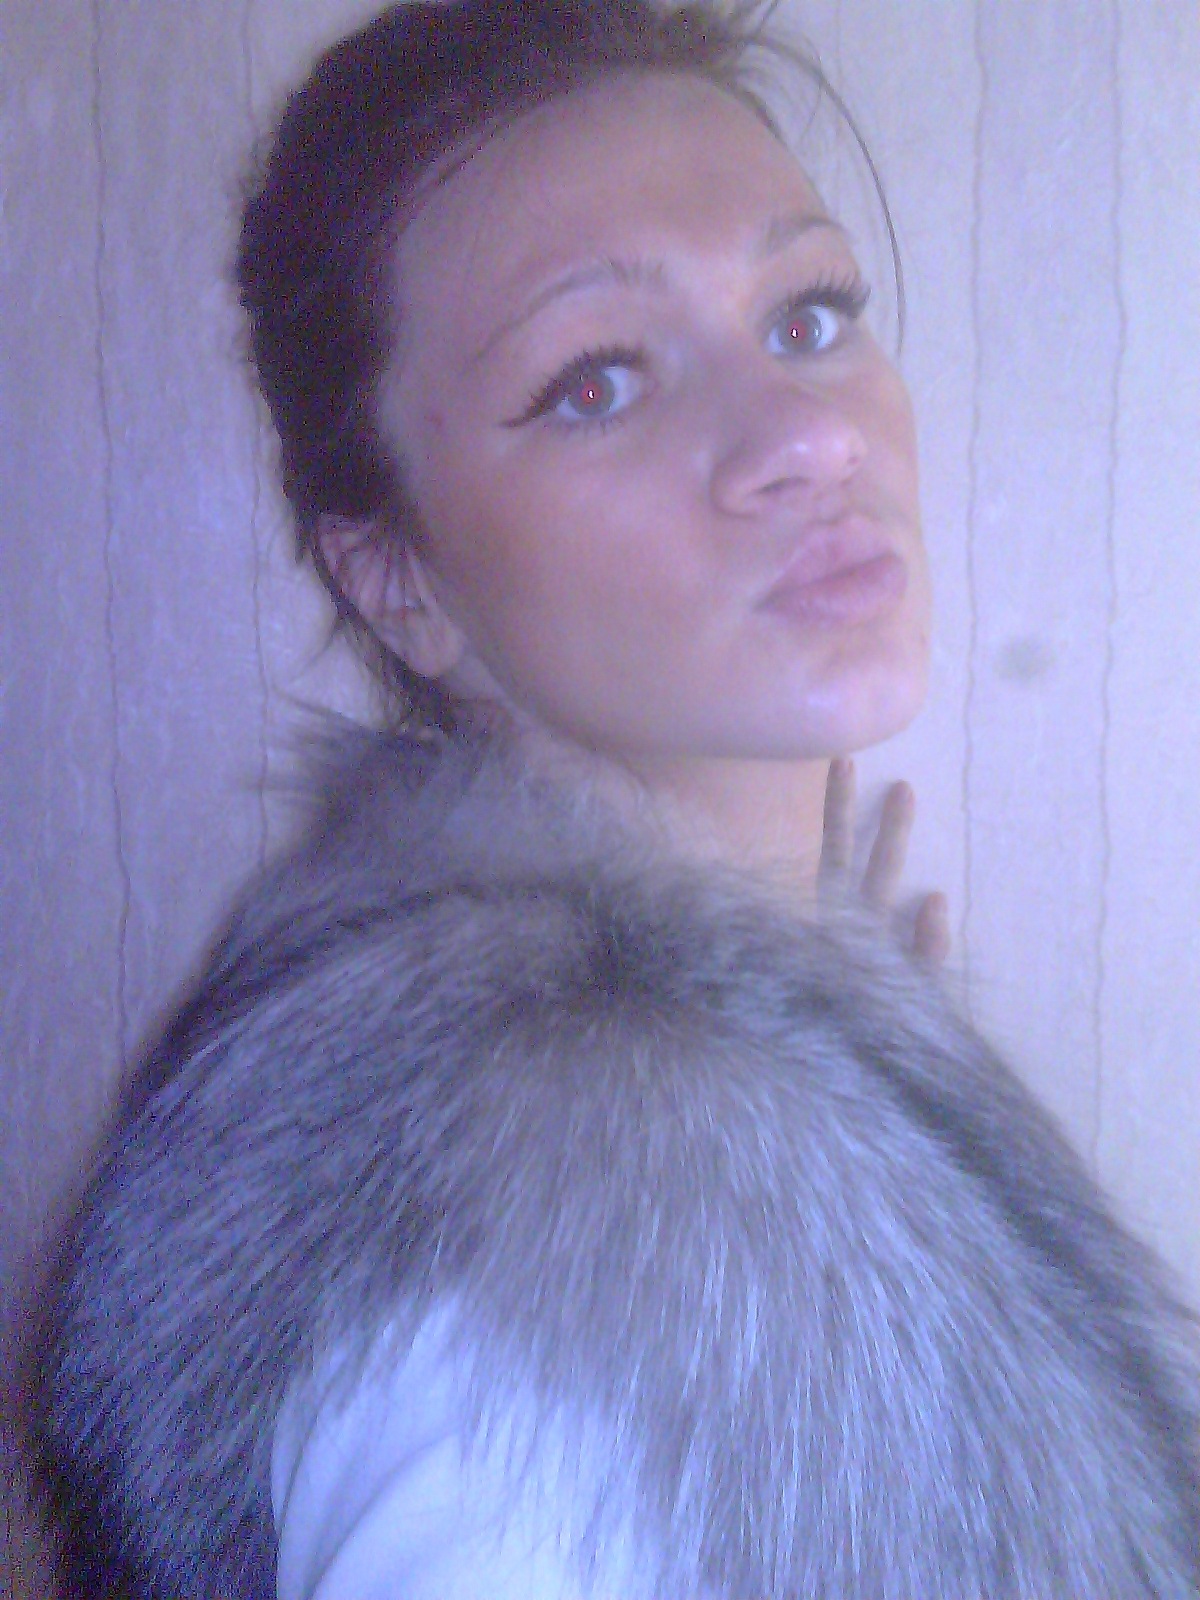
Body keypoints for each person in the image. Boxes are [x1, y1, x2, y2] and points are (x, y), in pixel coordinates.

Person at [38, 3, 1200, 1598]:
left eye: (808, 316)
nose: (807, 437)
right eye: (596, 381)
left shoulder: (706, 1075)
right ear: (398, 584)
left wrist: (829, 1068)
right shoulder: (526, 1295)